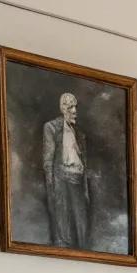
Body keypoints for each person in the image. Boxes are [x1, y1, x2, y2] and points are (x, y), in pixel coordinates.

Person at [43, 91, 91, 248]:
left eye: (75, 107)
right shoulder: (51, 127)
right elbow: (48, 160)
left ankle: (83, 251)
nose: (75, 111)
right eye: (70, 107)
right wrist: (51, 186)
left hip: (77, 179)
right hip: (61, 179)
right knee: (62, 219)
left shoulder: (80, 134)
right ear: (63, 108)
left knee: (80, 219)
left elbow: (83, 160)